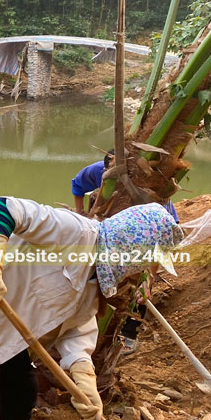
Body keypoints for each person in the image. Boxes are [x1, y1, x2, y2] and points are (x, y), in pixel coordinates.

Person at [0, 198, 183, 420]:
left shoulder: (96, 279)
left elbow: (77, 331)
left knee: (21, 396)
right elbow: (4, 208)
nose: (144, 266)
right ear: (132, 246)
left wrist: (85, 383)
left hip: (8, 330)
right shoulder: (75, 233)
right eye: (147, 258)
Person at [71, 150, 178, 354]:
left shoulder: (155, 204)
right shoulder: (100, 173)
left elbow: (162, 246)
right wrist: (80, 214)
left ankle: (129, 332)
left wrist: (150, 278)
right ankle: (80, 331)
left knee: (139, 287)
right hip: (105, 233)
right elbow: (76, 184)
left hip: (145, 242)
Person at [71, 150, 179, 221]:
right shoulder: (96, 171)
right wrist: (80, 212)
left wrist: (174, 221)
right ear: (105, 169)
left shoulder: (137, 175)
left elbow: (160, 198)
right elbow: (77, 185)